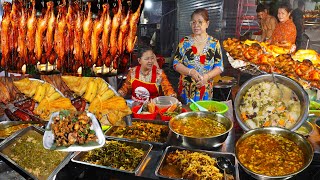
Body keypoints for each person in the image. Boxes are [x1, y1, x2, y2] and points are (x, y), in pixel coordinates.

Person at [173, 8, 223, 104]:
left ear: (207, 24)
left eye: (200, 22)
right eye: (193, 22)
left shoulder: (214, 43)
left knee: (202, 118)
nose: (196, 25)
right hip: (186, 91)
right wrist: (190, 72)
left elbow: (219, 67)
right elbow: (176, 63)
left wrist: (206, 77)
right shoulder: (184, 42)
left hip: (205, 91)